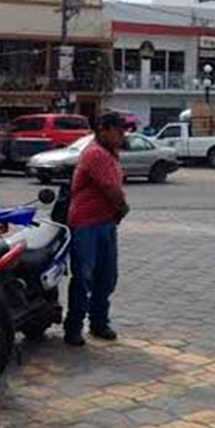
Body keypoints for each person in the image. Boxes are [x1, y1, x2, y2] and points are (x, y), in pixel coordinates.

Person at [64, 111, 130, 347]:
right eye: (119, 130)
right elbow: (110, 188)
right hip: (86, 224)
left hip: (105, 222)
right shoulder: (96, 154)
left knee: (106, 276)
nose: (123, 135)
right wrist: (122, 208)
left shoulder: (111, 153)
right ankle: (74, 327)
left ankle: (99, 321)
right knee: (84, 277)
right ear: (104, 129)